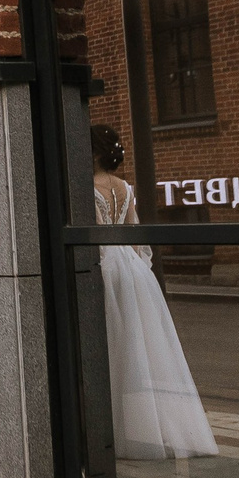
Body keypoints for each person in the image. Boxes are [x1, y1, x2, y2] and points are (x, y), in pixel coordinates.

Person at [91, 123, 218, 460]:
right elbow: (134, 232)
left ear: (94, 152)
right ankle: (152, 426)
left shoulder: (88, 187)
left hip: (109, 266)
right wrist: (136, 266)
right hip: (133, 268)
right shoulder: (124, 187)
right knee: (140, 344)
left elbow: (98, 238)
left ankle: (118, 429)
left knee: (115, 345)